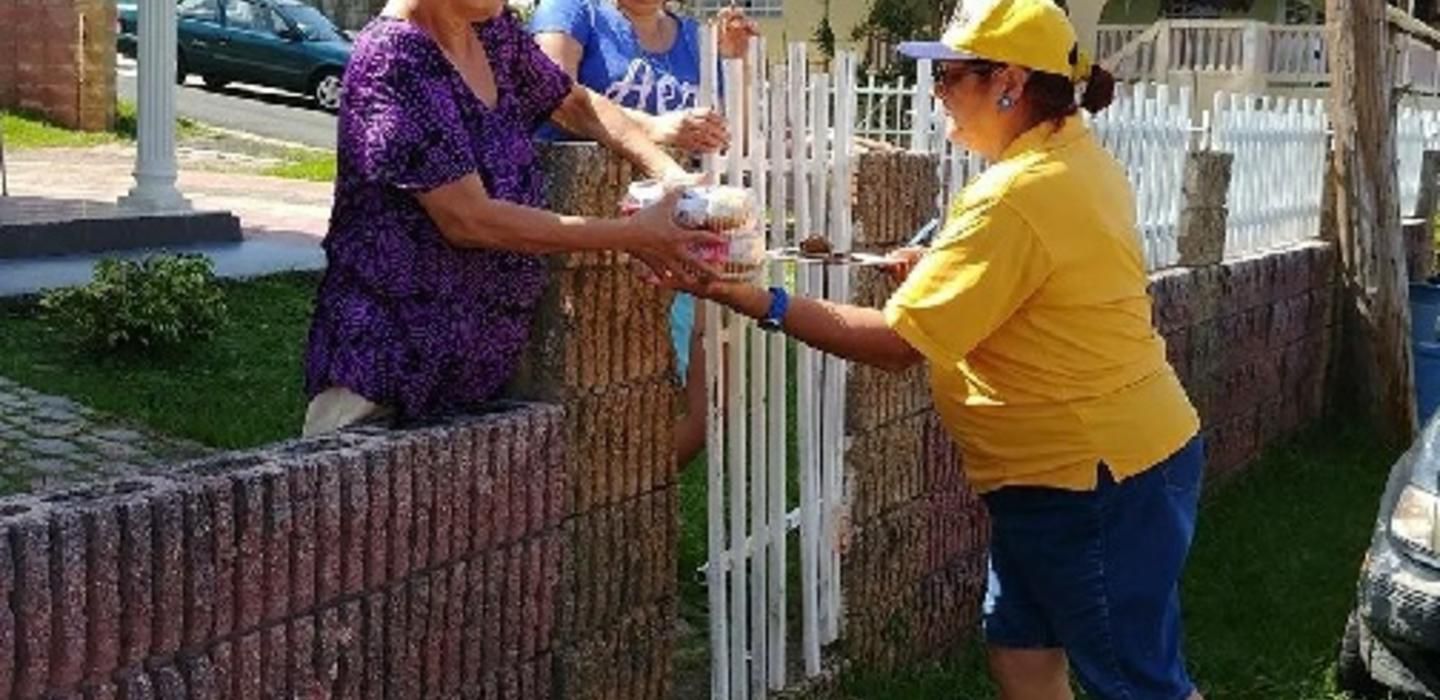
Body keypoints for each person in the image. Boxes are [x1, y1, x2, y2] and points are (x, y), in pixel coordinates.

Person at [669, 1, 1206, 698]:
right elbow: (1043, 282)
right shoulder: (1067, 155)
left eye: (950, 76)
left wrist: (757, 299)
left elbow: (897, 345)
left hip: (1093, 477)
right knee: (1021, 652)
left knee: (1138, 682)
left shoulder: (1016, 195)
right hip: (1084, 470)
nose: (937, 93)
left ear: (1009, 81)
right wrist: (948, 269)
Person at [301, 0, 720, 435]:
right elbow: (468, 219)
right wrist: (631, 234)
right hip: (384, 377)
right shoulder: (393, 59)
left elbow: (573, 103)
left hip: (473, 376)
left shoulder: (489, 30)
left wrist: (671, 175)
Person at [531, 0, 758, 468]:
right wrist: (658, 129)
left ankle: (639, 497)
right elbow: (551, 96)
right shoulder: (572, 11)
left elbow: (738, 140)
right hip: (592, 246)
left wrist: (736, 65)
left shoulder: (696, 37)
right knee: (598, 406)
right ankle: (598, 505)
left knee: (709, 407)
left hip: (688, 236)